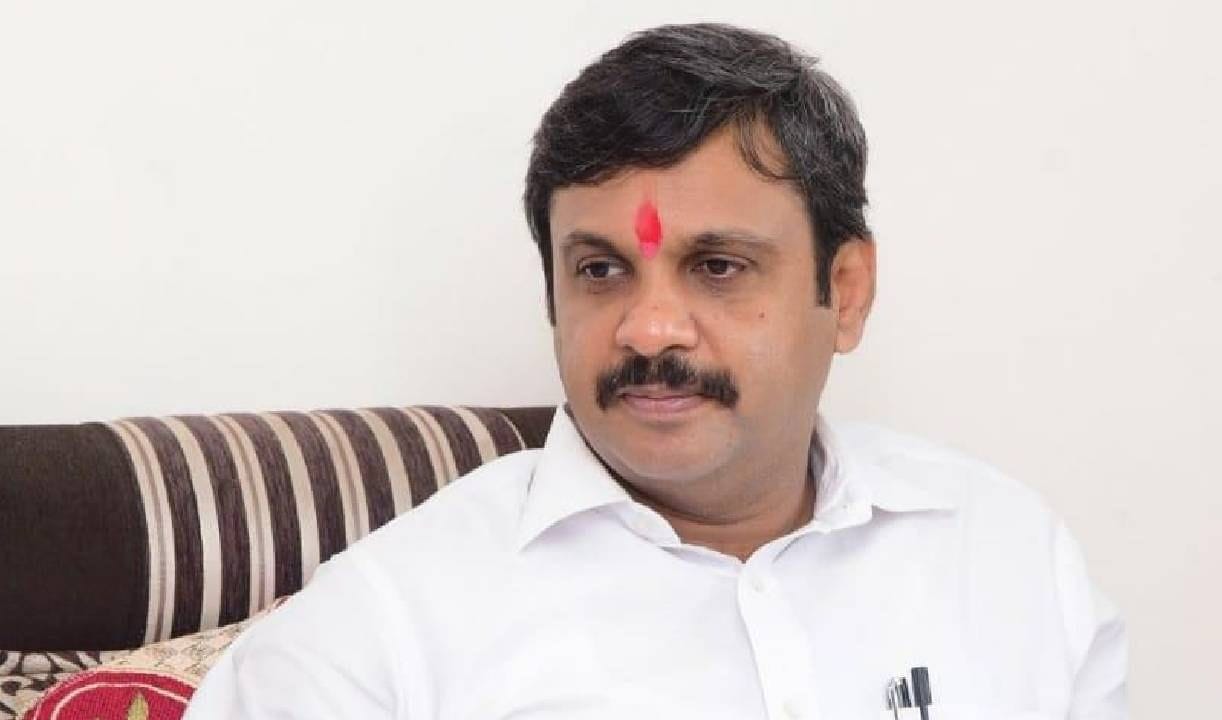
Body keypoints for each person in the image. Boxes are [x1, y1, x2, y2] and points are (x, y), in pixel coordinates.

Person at [186, 23, 1127, 719]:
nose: (648, 329)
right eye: (601, 271)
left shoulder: (1006, 557)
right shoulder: (381, 633)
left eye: (717, 266)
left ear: (845, 292)